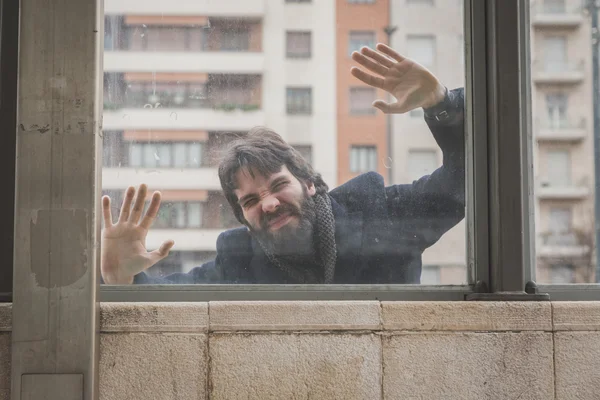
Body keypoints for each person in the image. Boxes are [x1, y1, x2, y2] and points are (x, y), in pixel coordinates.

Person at [100, 43, 465, 285]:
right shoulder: (238, 262)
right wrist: (123, 278)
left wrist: (440, 103)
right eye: (250, 201)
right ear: (243, 217)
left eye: (277, 185)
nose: (269, 204)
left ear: (309, 183)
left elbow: (464, 183)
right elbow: (171, 297)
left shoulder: (378, 212)